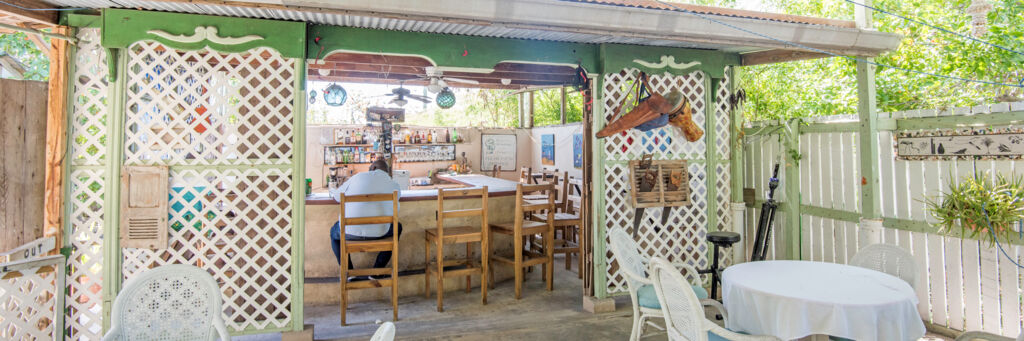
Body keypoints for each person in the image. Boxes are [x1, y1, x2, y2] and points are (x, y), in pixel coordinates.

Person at [329, 158, 402, 281]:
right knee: (398, 227)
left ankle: (349, 271)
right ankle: (377, 272)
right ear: (388, 171)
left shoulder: (358, 177)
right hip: (380, 233)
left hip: (349, 232)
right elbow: (396, 210)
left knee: (333, 233)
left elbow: (337, 197)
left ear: (373, 168)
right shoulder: (394, 185)